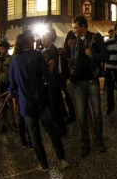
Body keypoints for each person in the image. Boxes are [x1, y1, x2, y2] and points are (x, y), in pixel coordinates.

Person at [10, 32, 70, 171]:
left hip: (26, 103)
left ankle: (43, 163)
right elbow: (47, 75)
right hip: (41, 99)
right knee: (51, 129)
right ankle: (61, 158)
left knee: (34, 133)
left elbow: (12, 85)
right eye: (33, 39)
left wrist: (15, 102)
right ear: (28, 42)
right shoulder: (37, 55)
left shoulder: (14, 60)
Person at [69, 16, 109, 156]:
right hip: (79, 83)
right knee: (82, 116)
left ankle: (99, 140)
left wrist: (93, 54)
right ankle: (84, 143)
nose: (73, 30)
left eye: (75, 27)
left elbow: (105, 55)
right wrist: (71, 69)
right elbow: (71, 62)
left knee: (97, 113)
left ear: (83, 26)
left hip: (92, 82)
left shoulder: (95, 38)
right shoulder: (74, 43)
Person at [41, 30, 68, 136]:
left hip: (54, 82)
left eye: (45, 40)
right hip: (49, 82)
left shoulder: (53, 50)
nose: (43, 42)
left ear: (50, 39)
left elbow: (52, 66)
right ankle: (58, 125)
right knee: (53, 106)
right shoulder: (44, 51)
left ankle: (61, 127)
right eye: (42, 40)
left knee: (55, 106)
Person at [60, 31, 78, 124]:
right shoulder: (64, 52)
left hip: (76, 78)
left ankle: (78, 114)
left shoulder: (76, 50)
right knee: (68, 97)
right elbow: (63, 67)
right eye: (69, 39)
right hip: (67, 79)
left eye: (72, 39)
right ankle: (72, 114)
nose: (70, 41)